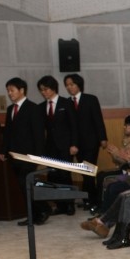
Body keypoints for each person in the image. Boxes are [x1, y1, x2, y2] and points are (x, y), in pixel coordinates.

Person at [0, 77, 47, 225]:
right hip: (14, 155)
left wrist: (38, 156)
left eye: (12, 90)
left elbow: (38, 134)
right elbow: (7, 132)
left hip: (29, 155)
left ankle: (40, 212)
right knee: (23, 185)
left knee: (25, 183)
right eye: (8, 90)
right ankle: (38, 211)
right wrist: (3, 150)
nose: (9, 93)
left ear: (21, 90)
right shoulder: (10, 109)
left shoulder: (33, 108)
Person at [37, 75, 79, 215]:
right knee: (53, 176)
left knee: (65, 175)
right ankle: (59, 205)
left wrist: (74, 144)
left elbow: (74, 125)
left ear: (53, 88)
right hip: (50, 148)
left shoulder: (66, 103)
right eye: (41, 90)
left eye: (45, 89)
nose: (43, 92)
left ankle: (69, 204)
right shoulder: (41, 107)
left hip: (66, 146)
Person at [64, 73, 108, 208]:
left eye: (72, 84)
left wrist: (103, 138)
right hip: (75, 144)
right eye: (67, 85)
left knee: (88, 172)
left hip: (91, 142)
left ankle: (92, 200)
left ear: (79, 85)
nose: (69, 87)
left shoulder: (90, 99)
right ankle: (87, 199)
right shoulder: (66, 102)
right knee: (83, 172)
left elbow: (98, 119)